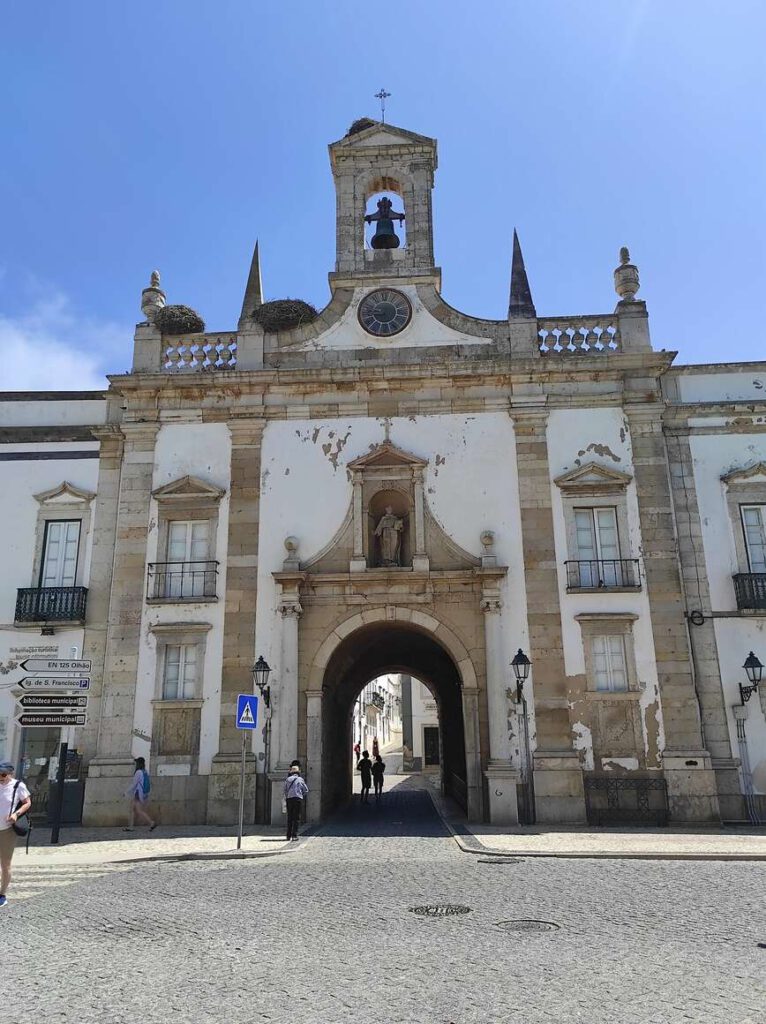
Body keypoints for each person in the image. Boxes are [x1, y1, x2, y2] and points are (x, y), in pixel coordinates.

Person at [0, 761, 32, 908]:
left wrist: (16, 814)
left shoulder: (18, 786)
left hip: (6, 830)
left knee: (5, 864)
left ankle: (2, 894)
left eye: (3, 774)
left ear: (10, 774)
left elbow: (27, 802)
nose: (0, 777)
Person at [124, 756, 156, 832]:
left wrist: (126, 792)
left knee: (138, 810)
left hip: (138, 794)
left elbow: (134, 784)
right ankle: (130, 827)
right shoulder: (145, 771)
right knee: (133, 810)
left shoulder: (138, 772)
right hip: (144, 793)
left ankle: (151, 822)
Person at [283, 765, 308, 841]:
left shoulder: (288, 779)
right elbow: (306, 790)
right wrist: (301, 795)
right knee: (296, 818)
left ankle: (288, 835)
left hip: (289, 799)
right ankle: (294, 835)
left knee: (289, 817)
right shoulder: (300, 779)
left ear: (291, 772)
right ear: (298, 772)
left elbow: (285, 790)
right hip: (297, 799)